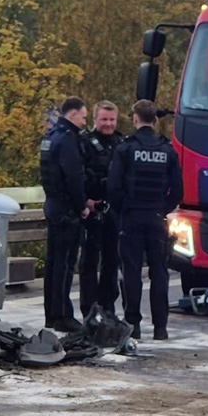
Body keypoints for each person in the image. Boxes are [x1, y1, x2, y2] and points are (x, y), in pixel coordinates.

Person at [107, 99, 183, 341]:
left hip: (132, 217)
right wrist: (162, 209)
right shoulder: (167, 150)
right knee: (159, 272)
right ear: (155, 119)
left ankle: (133, 325)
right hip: (156, 218)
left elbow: (113, 187)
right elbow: (178, 190)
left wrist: (123, 211)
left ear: (135, 118)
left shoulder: (126, 148)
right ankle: (160, 328)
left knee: (131, 271)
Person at [40, 97, 91, 332]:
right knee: (65, 264)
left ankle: (51, 314)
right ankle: (62, 315)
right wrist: (82, 206)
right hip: (66, 209)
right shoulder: (69, 140)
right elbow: (74, 177)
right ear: (72, 115)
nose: (84, 121)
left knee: (53, 264)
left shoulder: (51, 136)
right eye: (83, 116)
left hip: (52, 205)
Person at [80, 100, 124, 318]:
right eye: (104, 119)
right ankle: (88, 308)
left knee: (112, 260)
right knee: (89, 261)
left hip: (114, 210)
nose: (108, 124)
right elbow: (78, 177)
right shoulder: (84, 143)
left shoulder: (121, 143)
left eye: (112, 119)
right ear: (95, 120)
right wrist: (86, 202)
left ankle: (108, 307)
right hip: (92, 208)